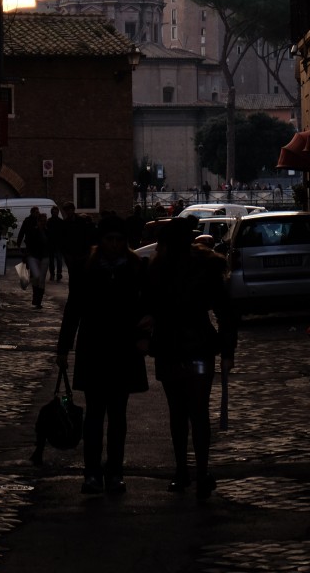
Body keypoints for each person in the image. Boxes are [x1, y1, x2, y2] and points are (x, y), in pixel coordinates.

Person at [56, 216, 151, 494]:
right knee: (95, 415)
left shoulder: (135, 268)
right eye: (109, 239)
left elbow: (146, 306)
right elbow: (73, 309)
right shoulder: (85, 268)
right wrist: (63, 348)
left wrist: (145, 334)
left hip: (123, 348)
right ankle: (92, 472)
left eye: (118, 239)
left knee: (118, 415)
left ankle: (115, 471)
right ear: (102, 240)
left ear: (125, 242)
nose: (114, 244)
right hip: (94, 348)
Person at [145, 216, 237, 500]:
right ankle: (196, 471)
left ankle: (187, 471)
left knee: (182, 413)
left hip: (176, 345)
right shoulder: (204, 268)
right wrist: (227, 348)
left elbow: (225, 311)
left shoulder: (159, 271)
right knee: (194, 413)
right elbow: (226, 312)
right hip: (194, 344)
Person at [60, 202, 96, 290]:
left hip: (81, 252)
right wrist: (65, 253)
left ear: (73, 210)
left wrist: (86, 251)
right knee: (72, 274)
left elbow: (86, 236)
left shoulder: (81, 221)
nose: (68, 212)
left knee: (80, 273)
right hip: (70, 253)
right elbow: (63, 239)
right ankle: (73, 292)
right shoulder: (65, 223)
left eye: (69, 210)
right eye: (66, 211)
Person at [22, 212, 50, 308]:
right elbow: (28, 242)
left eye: (44, 221)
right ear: (38, 221)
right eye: (41, 221)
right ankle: (35, 297)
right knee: (36, 277)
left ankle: (38, 301)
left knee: (41, 279)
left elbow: (51, 243)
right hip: (34, 256)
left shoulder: (48, 231)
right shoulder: (33, 231)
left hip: (45, 256)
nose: (43, 223)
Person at [46, 205, 64, 282]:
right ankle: (53, 274)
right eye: (54, 212)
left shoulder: (60, 222)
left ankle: (58, 274)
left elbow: (63, 233)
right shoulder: (49, 221)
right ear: (52, 213)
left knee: (59, 260)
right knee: (51, 261)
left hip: (58, 244)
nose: (55, 213)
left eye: (56, 212)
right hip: (51, 244)